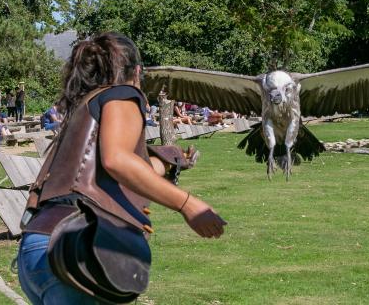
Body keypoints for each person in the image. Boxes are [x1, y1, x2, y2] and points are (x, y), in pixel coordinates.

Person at [17, 32, 226, 304]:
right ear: (137, 71)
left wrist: (164, 162)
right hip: (77, 247)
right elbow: (116, 160)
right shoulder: (122, 93)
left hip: (38, 248)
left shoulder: (83, 106)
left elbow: (104, 173)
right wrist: (188, 204)